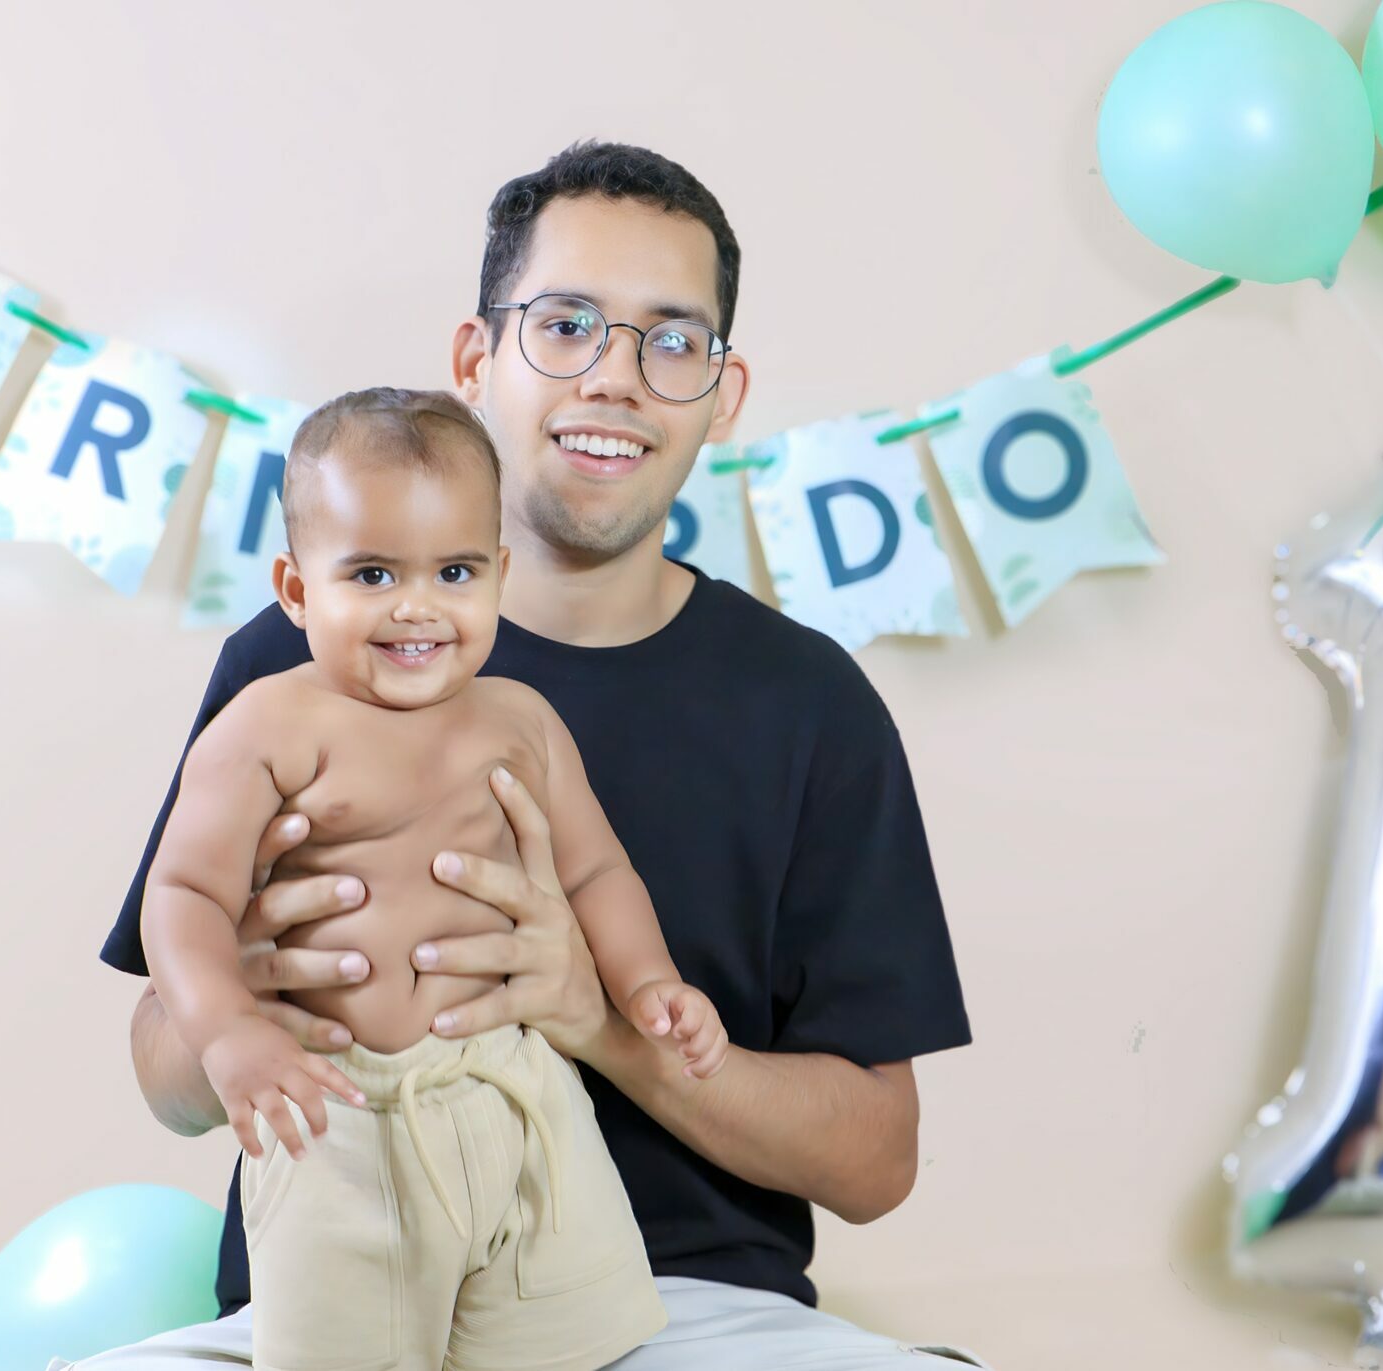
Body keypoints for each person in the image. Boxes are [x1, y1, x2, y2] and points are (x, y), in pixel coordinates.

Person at [60, 141, 982, 1370]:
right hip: (330, 1290)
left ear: (723, 393)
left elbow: (877, 1162)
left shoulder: (809, 704)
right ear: (474, 361)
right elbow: (165, 1076)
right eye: (566, 326)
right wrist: (247, 999)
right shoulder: (292, 674)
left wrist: (603, 1019)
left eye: (672, 340)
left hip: (684, 1312)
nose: (615, 378)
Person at [140, 384, 726, 1371]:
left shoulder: (521, 721)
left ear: (499, 575)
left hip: (513, 1095)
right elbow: (184, 895)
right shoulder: (268, 725)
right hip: (336, 1115)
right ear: (296, 589)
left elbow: (597, 872)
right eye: (371, 573)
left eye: (454, 571)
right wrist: (228, 1027)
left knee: (563, 1351)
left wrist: (649, 983)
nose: (417, 605)